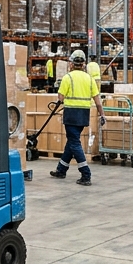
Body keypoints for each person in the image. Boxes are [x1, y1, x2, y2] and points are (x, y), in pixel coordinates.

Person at [51, 50, 104, 185]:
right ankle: (61, 170)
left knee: (74, 143)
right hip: (83, 115)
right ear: (84, 64)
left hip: (71, 114)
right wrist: (102, 114)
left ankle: (86, 174)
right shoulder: (90, 79)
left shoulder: (67, 78)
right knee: (72, 141)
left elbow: (60, 98)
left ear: (71, 64)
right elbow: (98, 101)